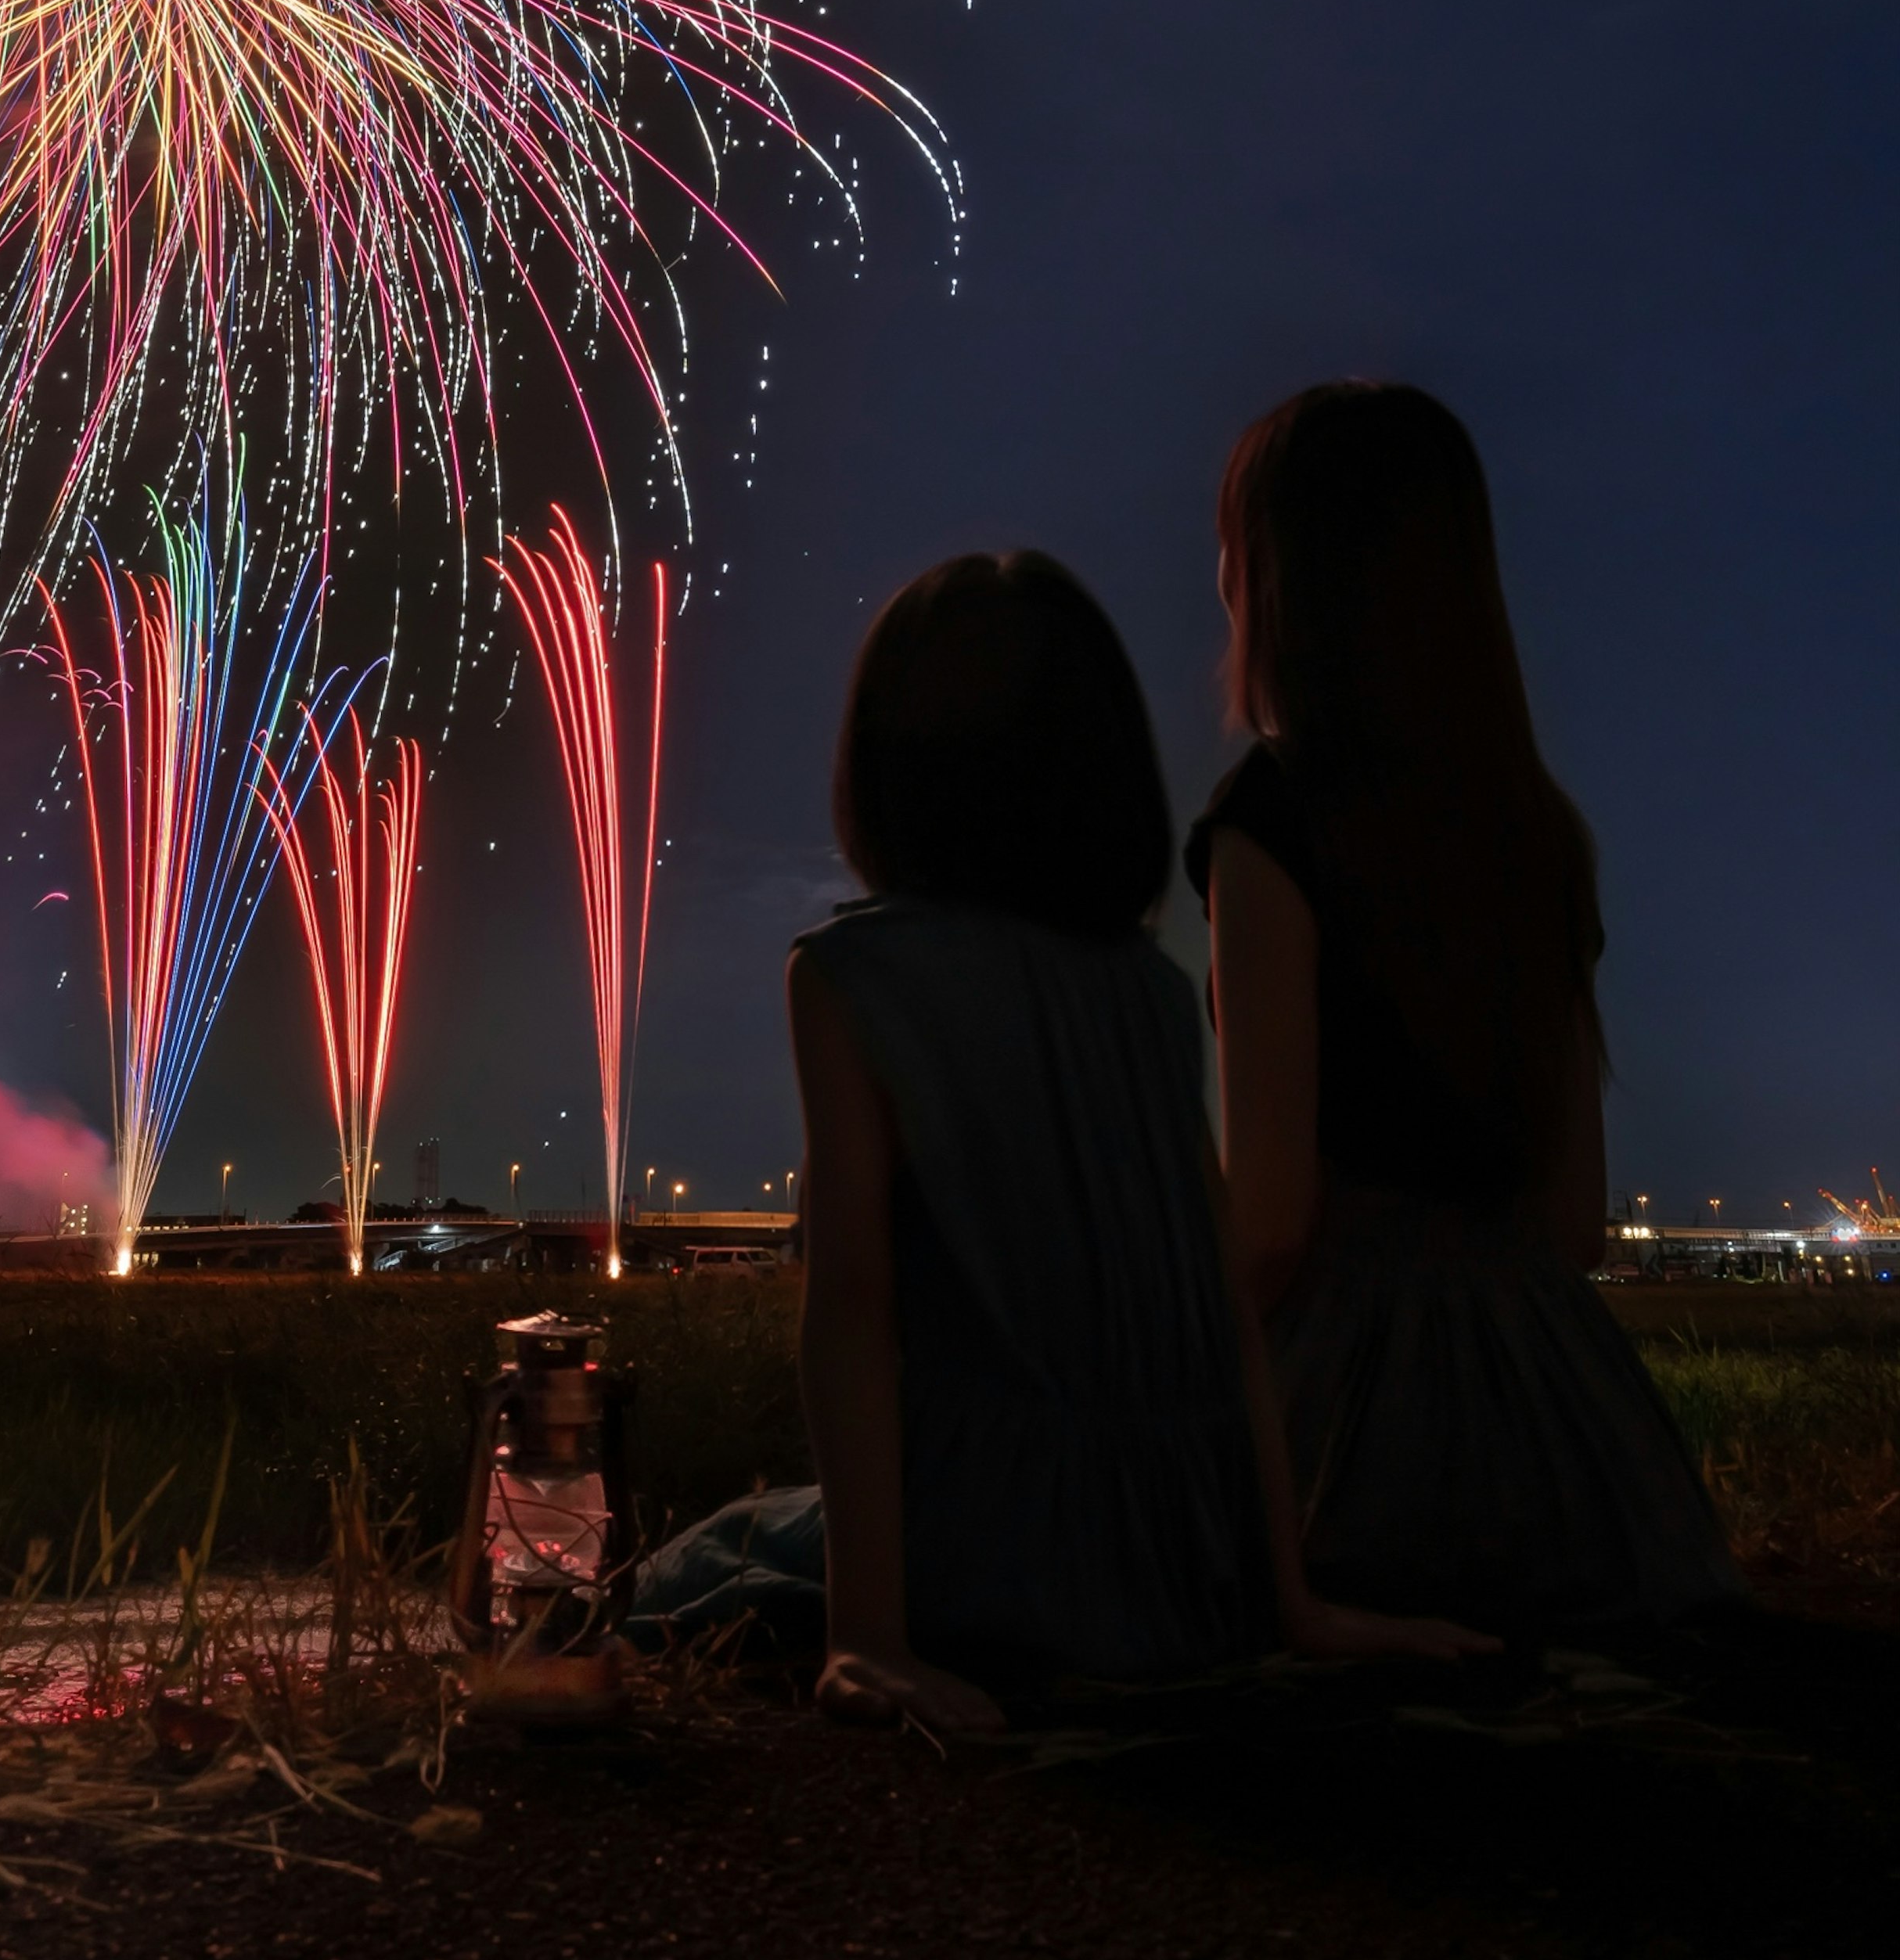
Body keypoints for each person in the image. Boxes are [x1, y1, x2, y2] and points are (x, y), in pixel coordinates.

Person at [628, 550, 1481, 1731]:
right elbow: (1221, 1307)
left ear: (884, 765)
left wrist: (867, 1639)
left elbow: (854, 1312)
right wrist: (1290, 1599)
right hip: (1183, 1564)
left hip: (989, 1552)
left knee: (697, 1567)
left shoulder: (849, 976)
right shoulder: (1150, 994)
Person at [1193, 380, 1733, 1632]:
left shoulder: (1269, 823)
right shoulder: (1541, 835)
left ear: (1282, 578)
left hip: (1345, 1420)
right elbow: (1575, 1224)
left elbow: (1270, 1222)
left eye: (1235, 542)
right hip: (1558, 1435)